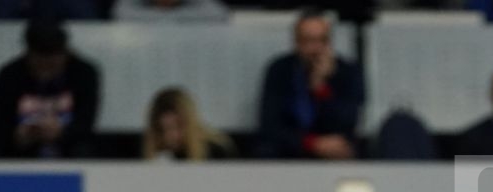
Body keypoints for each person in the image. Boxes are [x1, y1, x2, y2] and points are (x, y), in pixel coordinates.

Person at [0, 19, 100, 161]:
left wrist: (61, 132)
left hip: (69, 144)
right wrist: (17, 135)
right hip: (21, 147)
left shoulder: (84, 73)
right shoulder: (9, 75)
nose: (47, 70)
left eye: (52, 64)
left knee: (85, 149)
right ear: (29, 55)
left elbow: (86, 120)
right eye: (40, 64)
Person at [256, 9, 362, 160]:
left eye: (322, 40)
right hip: (291, 147)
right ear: (297, 42)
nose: (315, 49)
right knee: (266, 150)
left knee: (347, 150)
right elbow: (270, 125)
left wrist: (321, 88)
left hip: (333, 148)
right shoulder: (280, 70)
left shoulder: (347, 72)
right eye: (309, 41)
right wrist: (311, 144)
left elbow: (347, 123)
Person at [143, 87, 235, 161]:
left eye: (179, 126)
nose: (171, 136)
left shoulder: (216, 152)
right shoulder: (156, 154)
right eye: (162, 129)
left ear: (191, 124)